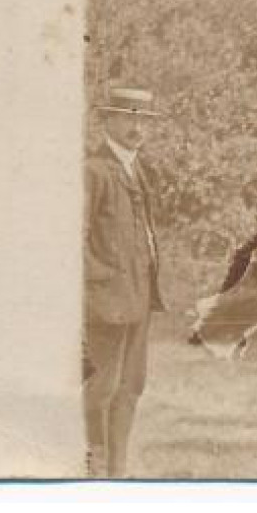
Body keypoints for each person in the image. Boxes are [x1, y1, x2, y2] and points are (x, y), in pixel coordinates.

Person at [83, 84, 167, 478]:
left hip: (138, 294)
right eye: (128, 117)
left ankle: (118, 470)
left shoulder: (137, 169)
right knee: (101, 386)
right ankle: (93, 464)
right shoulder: (92, 171)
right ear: (108, 120)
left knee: (132, 385)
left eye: (143, 120)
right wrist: (99, 281)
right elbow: (72, 239)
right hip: (105, 298)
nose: (137, 128)